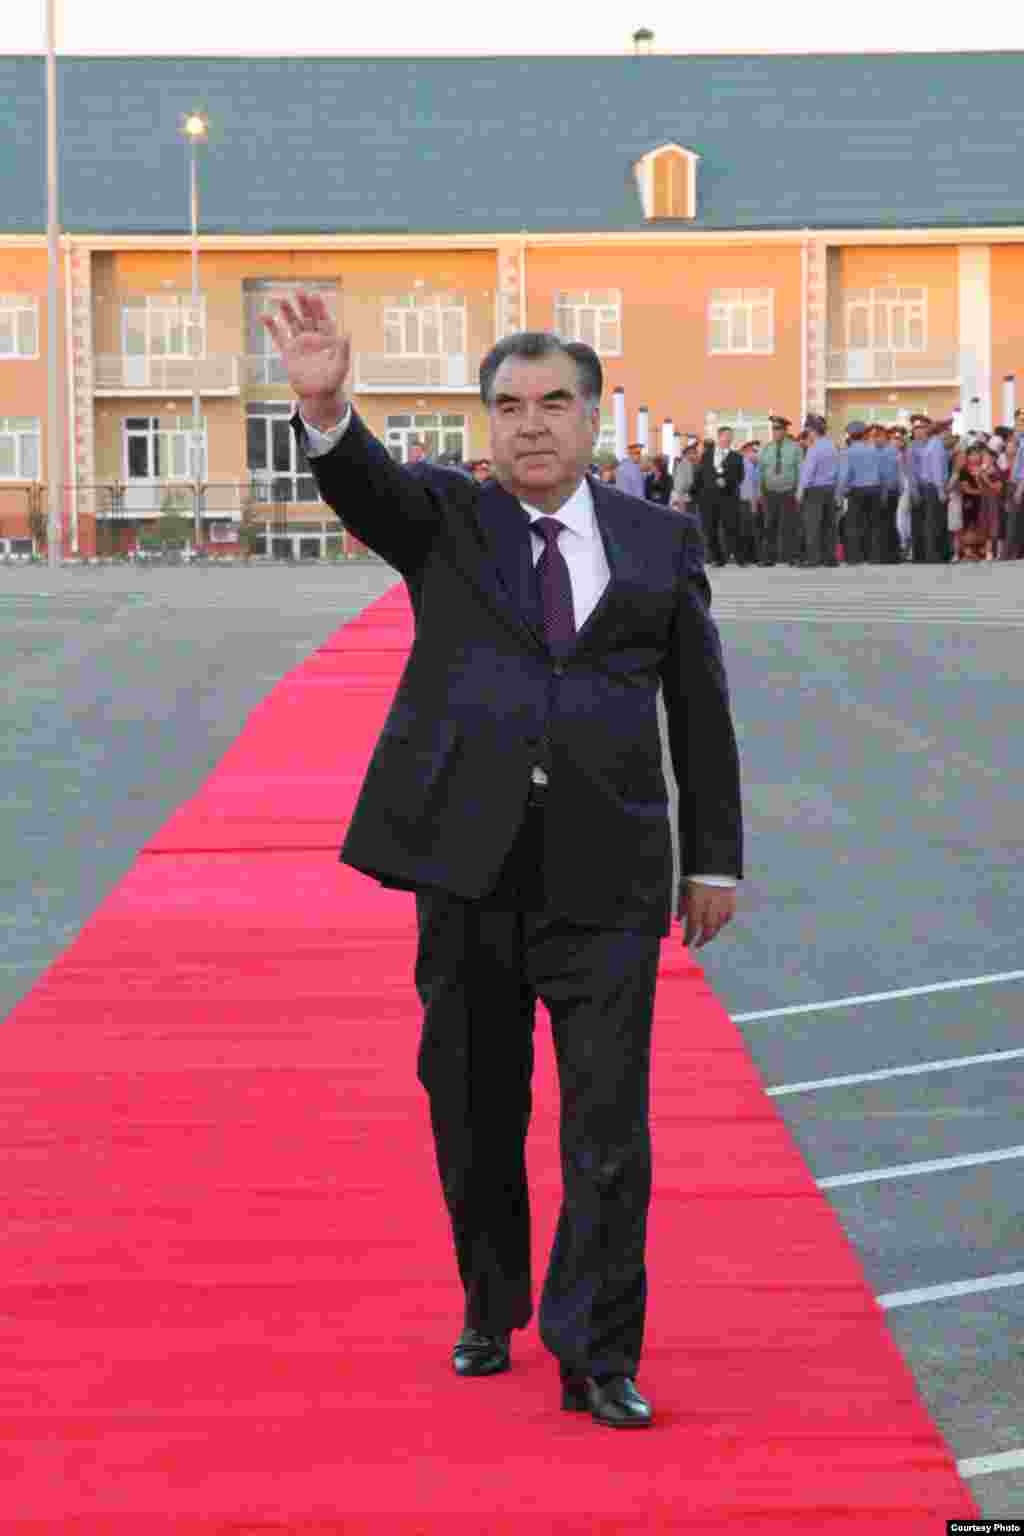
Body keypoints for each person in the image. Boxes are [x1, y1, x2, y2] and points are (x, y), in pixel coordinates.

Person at [262, 290, 743, 1432]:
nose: (532, 424)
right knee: (474, 1109)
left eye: (554, 403)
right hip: (466, 868)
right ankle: (491, 1303)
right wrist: (325, 407)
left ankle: (598, 1354)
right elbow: (363, 486)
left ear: (593, 418)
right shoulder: (448, 519)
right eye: (511, 406)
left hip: (607, 876)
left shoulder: (659, 542)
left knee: (607, 1129)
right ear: (488, 422)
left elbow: (699, 707)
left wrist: (713, 861)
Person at [697, 427, 745, 567]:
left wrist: (727, 481)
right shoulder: (707, 455)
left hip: (728, 498)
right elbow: (701, 475)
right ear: (719, 437)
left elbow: (740, 476)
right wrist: (701, 494)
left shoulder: (736, 457)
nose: (729, 438)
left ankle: (739, 557)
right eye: (726, 435)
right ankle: (717, 558)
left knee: (732, 528)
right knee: (710, 529)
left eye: (731, 436)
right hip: (710, 498)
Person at [835, 420, 881, 566]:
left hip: (857, 491)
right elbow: (879, 472)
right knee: (873, 524)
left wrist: (840, 493)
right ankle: (874, 556)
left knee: (853, 525)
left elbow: (844, 476)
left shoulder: (848, 452)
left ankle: (854, 557)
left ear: (850, 435)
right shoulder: (873, 450)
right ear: (864, 435)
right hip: (874, 489)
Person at [796, 414, 839, 567]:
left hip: (814, 491)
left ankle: (813, 558)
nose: (808, 433)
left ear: (813, 431)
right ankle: (830, 558)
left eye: (808, 430)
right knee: (829, 525)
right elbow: (837, 470)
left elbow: (808, 472)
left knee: (812, 526)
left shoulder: (814, 449)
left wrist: (800, 491)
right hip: (830, 489)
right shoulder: (832, 446)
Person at [758, 416, 801, 566]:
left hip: (788, 492)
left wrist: (798, 491)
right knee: (769, 525)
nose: (775, 431)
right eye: (773, 429)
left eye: (778, 429)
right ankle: (768, 558)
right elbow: (761, 471)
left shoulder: (795, 448)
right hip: (770, 492)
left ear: (785, 430)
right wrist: (760, 491)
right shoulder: (767, 448)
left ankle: (792, 557)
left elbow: (800, 470)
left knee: (789, 525)